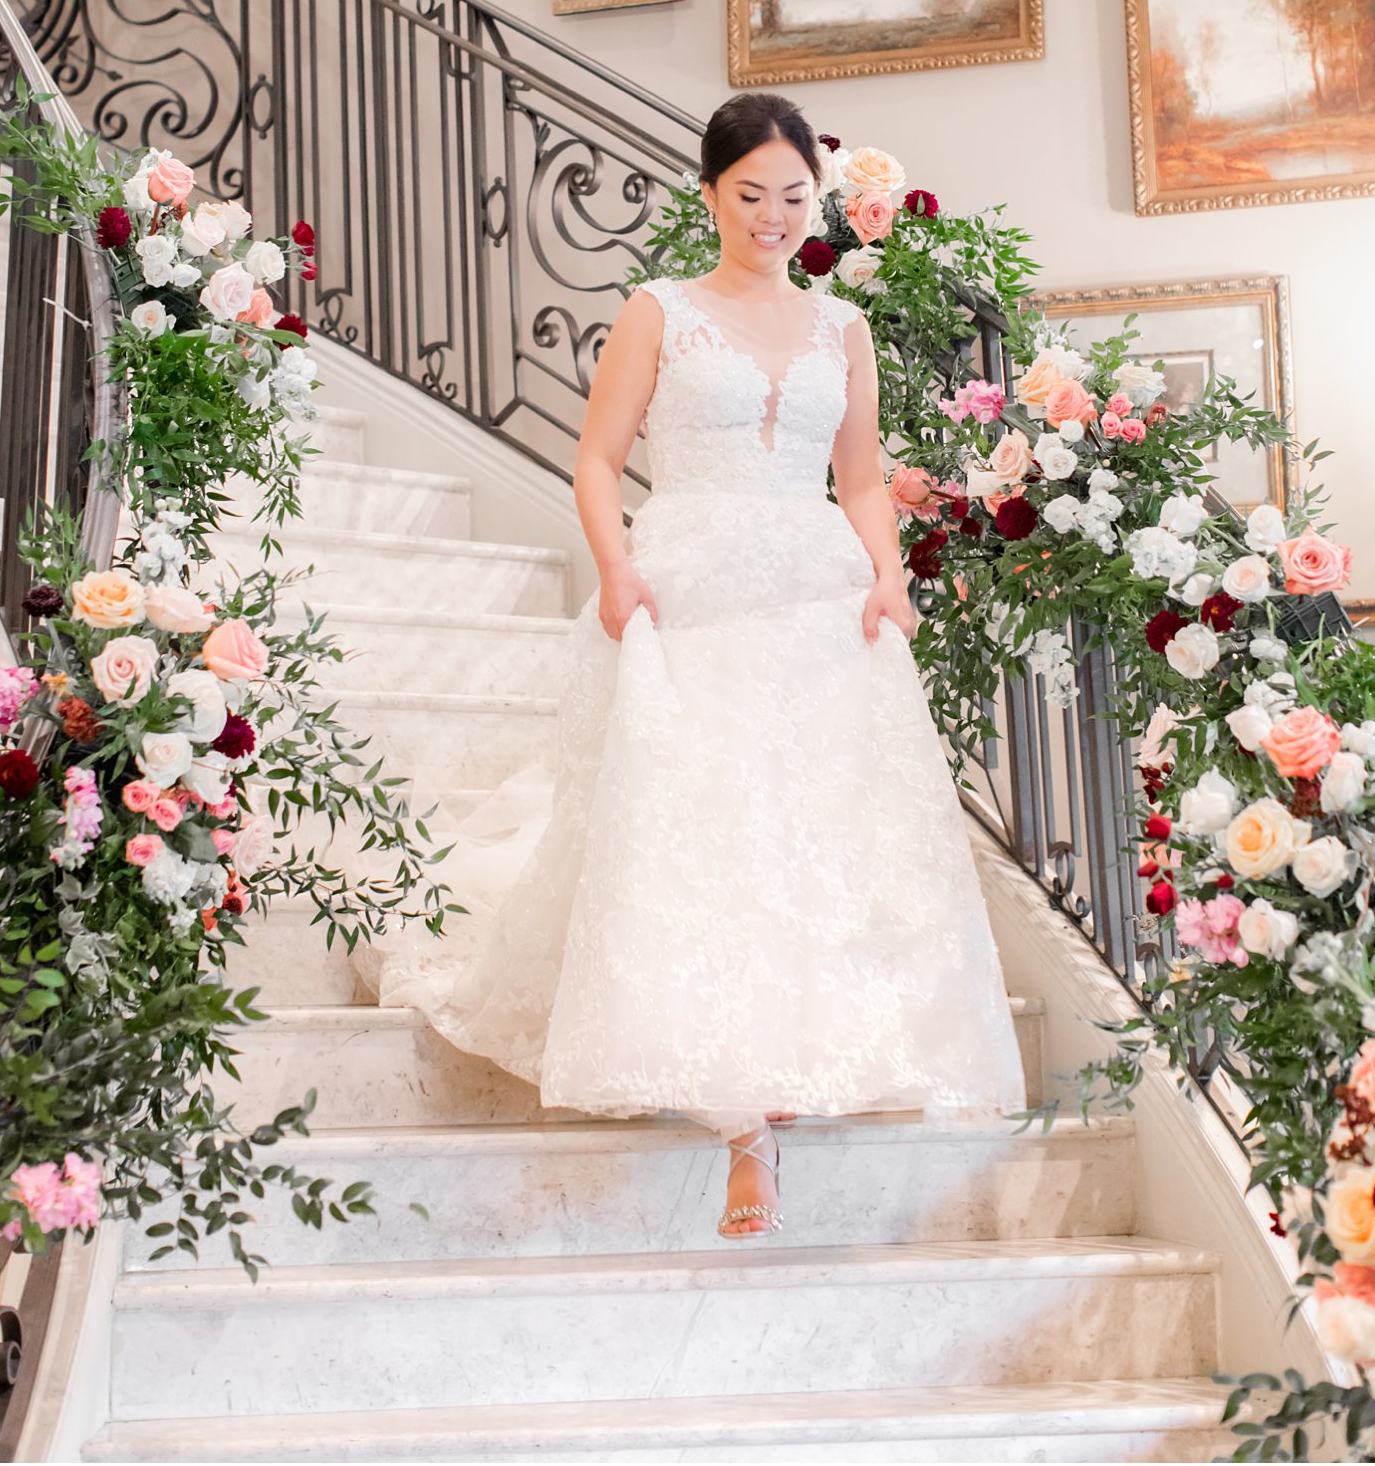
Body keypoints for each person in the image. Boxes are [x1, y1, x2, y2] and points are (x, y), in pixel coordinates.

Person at [357, 91, 1029, 1239]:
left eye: (793, 197)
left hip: (819, 598)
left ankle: (814, 1058)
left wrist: (888, 576)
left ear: (818, 203)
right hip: (689, 593)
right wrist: (616, 574)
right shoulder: (657, 310)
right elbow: (597, 459)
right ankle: (742, 1133)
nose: (772, 216)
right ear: (710, 195)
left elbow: (859, 477)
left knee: (811, 832)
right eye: (750, 194)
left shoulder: (840, 328)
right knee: (702, 832)